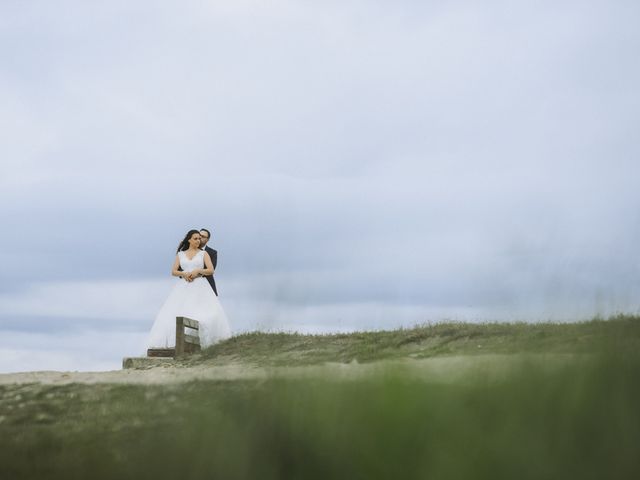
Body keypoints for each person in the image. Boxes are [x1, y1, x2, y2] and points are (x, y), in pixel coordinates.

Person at [146, 229, 231, 350]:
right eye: (196, 238)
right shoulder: (180, 254)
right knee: (178, 312)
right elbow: (174, 271)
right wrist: (184, 274)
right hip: (183, 287)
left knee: (201, 314)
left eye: (199, 238)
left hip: (200, 286)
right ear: (189, 240)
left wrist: (198, 271)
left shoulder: (204, 254)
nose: (198, 240)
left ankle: (200, 344)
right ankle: (176, 344)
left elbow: (211, 270)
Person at [198, 228, 218, 295]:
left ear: (208, 239)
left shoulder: (213, 252)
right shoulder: (188, 251)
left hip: (207, 285)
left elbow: (211, 269)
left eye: (203, 236)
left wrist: (196, 272)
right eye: (199, 235)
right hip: (188, 284)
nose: (200, 237)